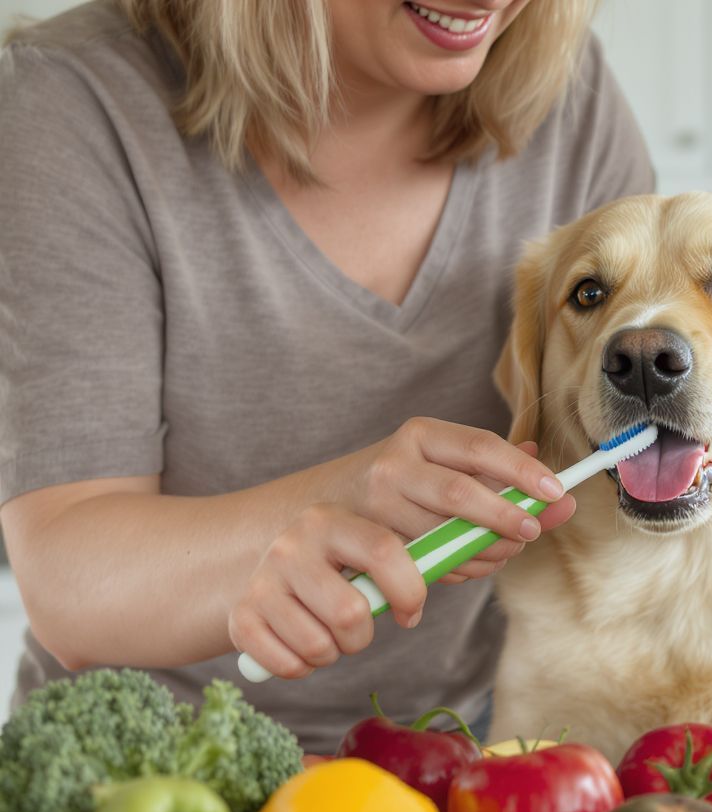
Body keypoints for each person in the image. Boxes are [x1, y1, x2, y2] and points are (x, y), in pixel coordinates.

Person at [0, 0, 654, 753]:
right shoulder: (76, 97)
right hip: (153, 764)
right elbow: (70, 583)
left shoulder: (568, 98)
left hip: (459, 748)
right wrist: (345, 496)